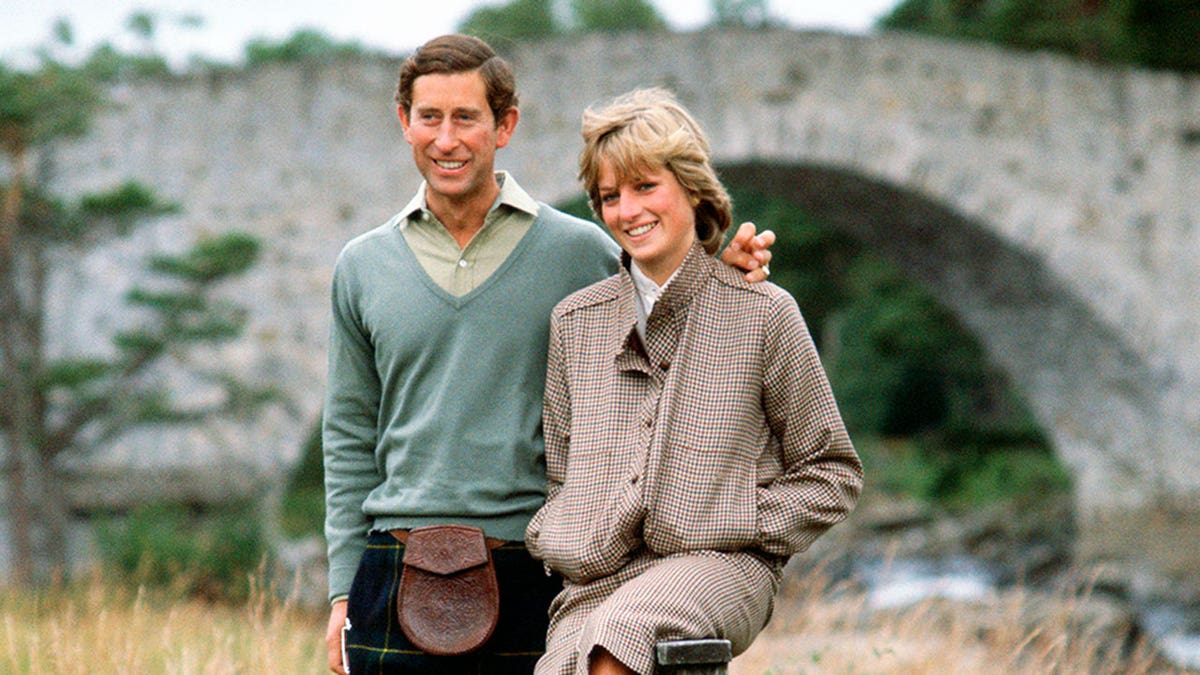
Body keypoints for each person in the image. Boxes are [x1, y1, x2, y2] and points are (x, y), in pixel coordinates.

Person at [322, 36, 774, 674]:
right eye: (429, 117)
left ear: (504, 125)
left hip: (538, 566)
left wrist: (723, 279)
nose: (446, 139)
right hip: (392, 568)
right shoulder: (361, 266)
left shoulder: (580, 251)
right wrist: (343, 589)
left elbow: (669, 341)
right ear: (405, 122)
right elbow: (347, 435)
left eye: (466, 118)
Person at [524, 88, 863, 675]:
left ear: (691, 188)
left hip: (723, 566)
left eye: (645, 186)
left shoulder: (763, 311)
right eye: (609, 196)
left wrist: (739, 516)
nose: (627, 211)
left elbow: (832, 473)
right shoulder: (574, 323)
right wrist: (566, 526)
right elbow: (560, 472)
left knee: (613, 647)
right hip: (598, 576)